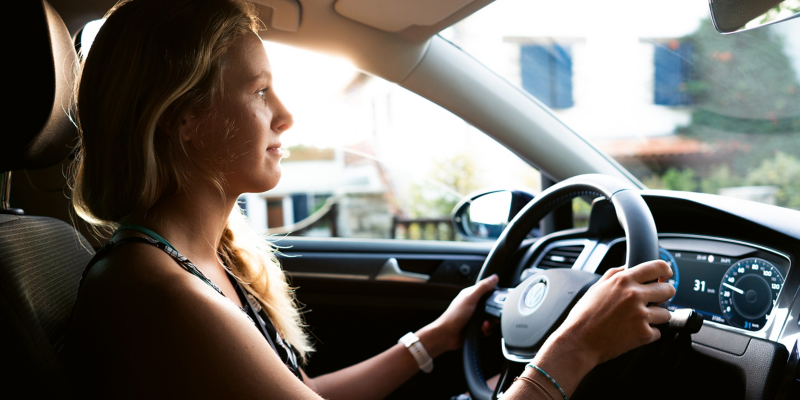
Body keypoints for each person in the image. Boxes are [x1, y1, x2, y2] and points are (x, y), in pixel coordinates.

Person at [65, 0, 676, 398]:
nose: (285, 115)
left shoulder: (196, 261)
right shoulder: (154, 290)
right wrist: (575, 348)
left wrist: (433, 339)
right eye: (258, 91)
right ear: (183, 119)